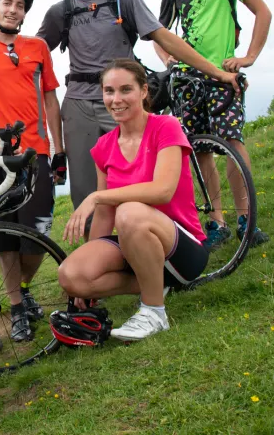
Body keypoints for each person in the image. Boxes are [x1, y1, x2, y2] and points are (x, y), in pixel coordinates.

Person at [0, 0, 240, 240]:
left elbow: (163, 37)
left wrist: (216, 72)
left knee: (139, 182)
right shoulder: (60, 12)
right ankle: (98, 262)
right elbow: (25, 51)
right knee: (84, 193)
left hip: (123, 103)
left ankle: (155, 247)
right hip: (79, 107)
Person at [57, 59, 208, 342]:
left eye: (126, 90)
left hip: (182, 248)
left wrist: (98, 195)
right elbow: (103, 216)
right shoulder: (103, 147)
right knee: (72, 275)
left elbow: (162, 191)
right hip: (134, 242)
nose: (116, 100)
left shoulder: (166, 126)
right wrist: (93, 273)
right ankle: (153, 283)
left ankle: (153, 312)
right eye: (109, 91)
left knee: (128, 212)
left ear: (143, 91)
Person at [157, 0, 272, 248]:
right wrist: (168, 60)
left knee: (233, 143)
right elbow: (158, 32)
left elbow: (263, 12)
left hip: (223, 75)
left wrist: (248, 57)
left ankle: (246, 220)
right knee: (200, 150)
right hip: (187, 82)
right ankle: (217, 223)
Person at [0, 0, 63, 342]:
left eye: (20, 6)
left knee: (38, 232)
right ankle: (16, 306)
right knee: (5, 238)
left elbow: (51, 99)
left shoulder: (38, 47)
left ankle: (21, 288)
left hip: (36, 152)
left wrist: (59, 147)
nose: (13, 9)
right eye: (7, 3)